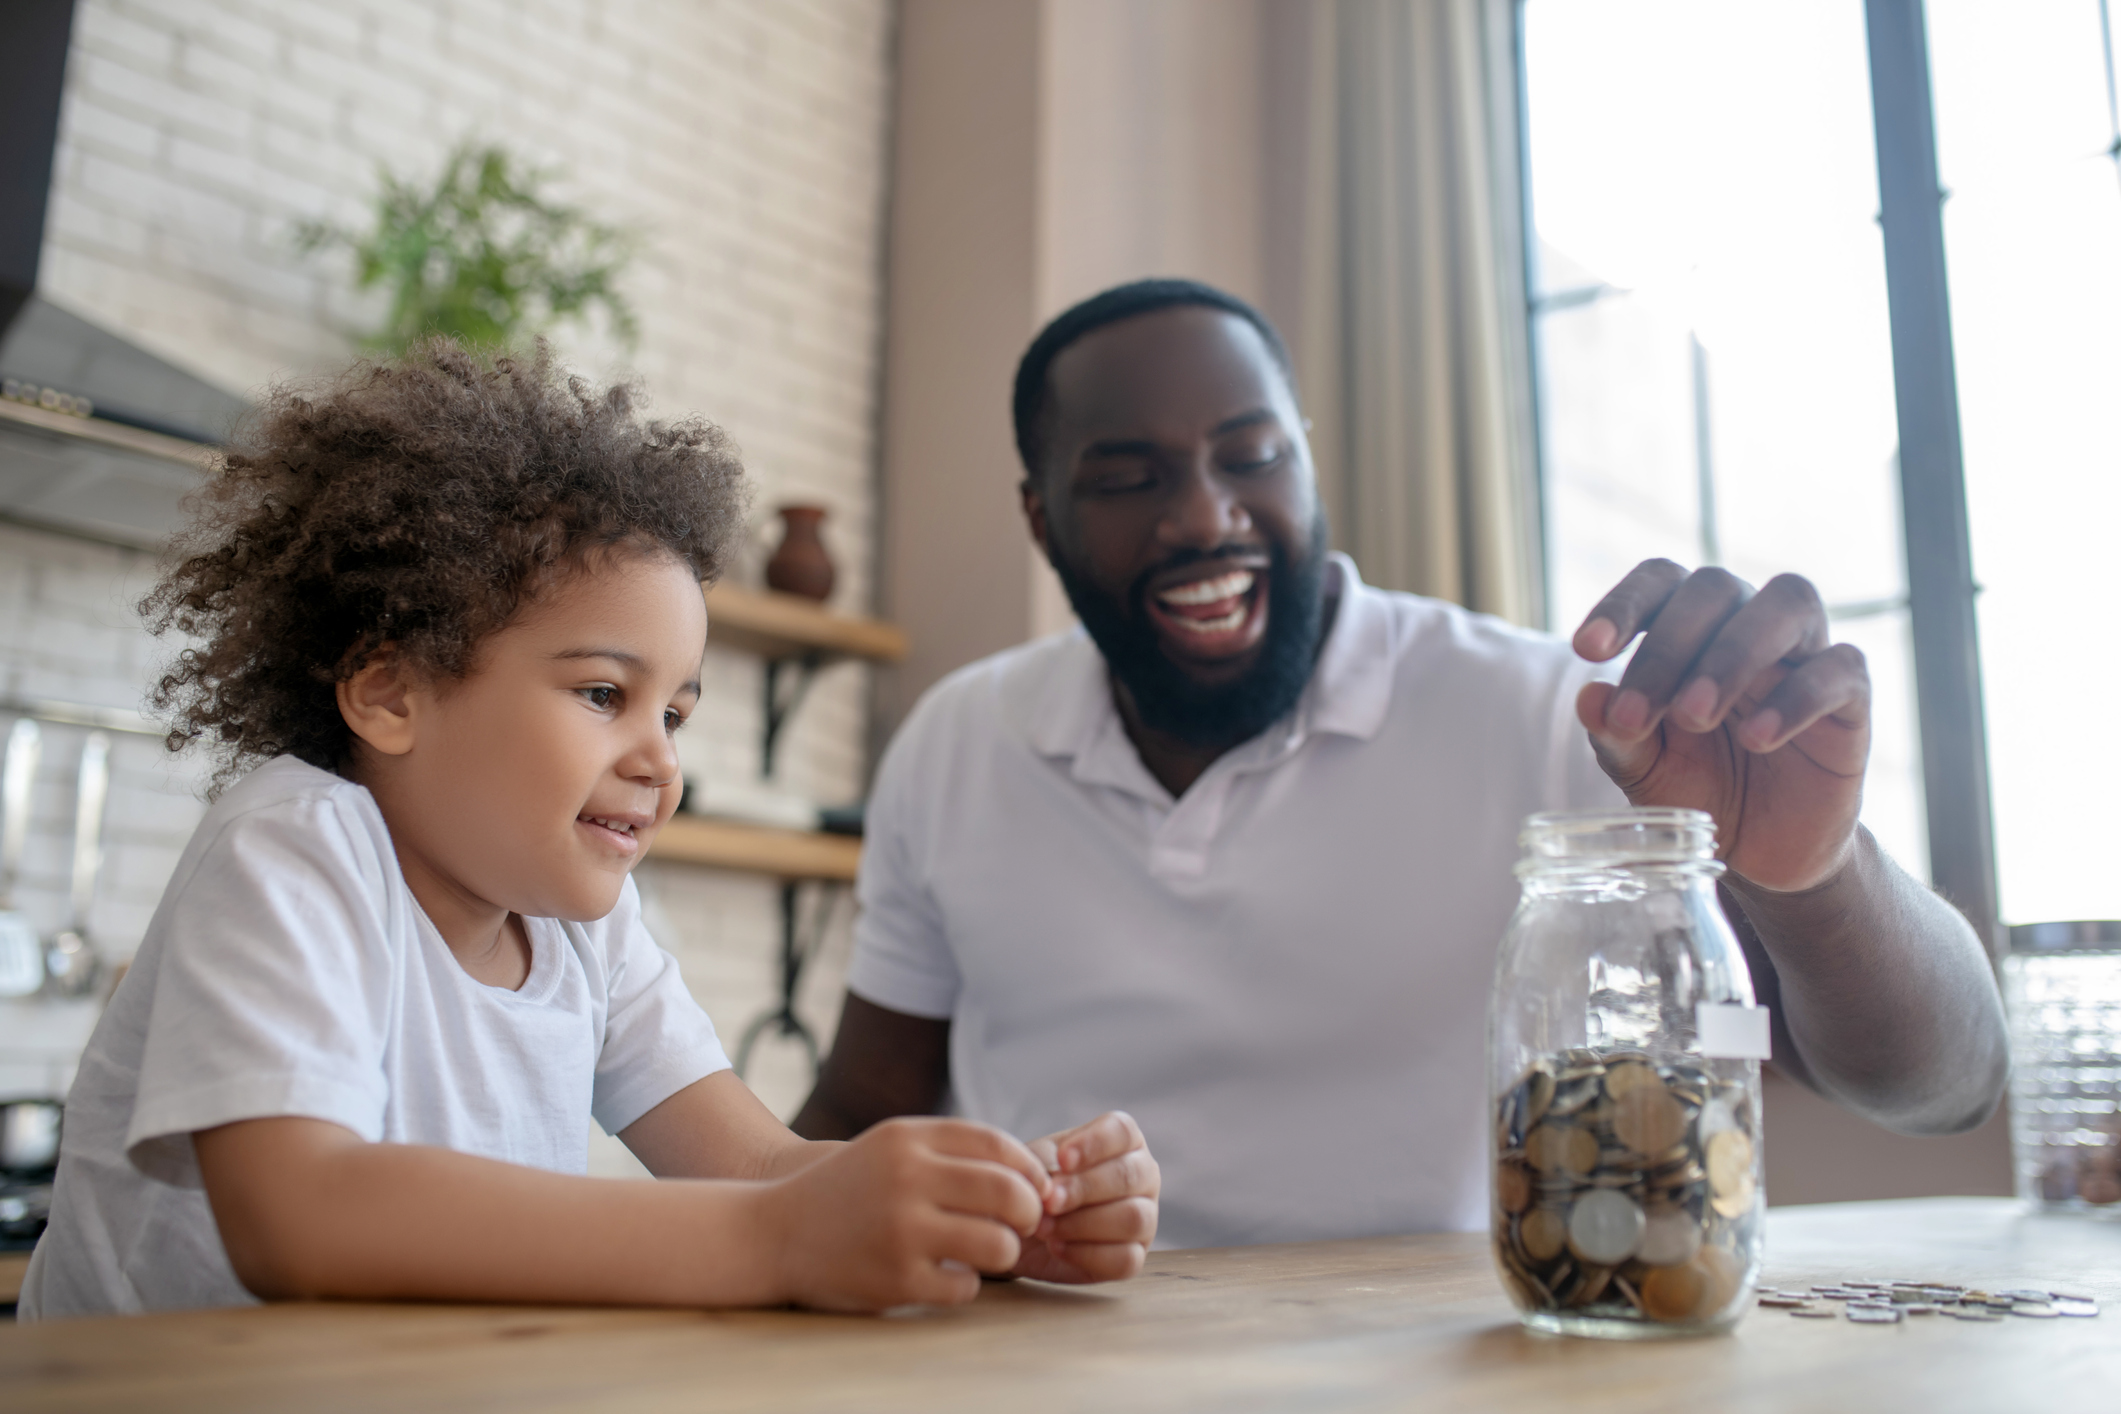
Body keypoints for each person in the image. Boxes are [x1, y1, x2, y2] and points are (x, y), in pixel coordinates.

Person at [794, 279, 2008, 1249]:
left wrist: (1816, 875)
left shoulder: (1559, 719)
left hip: (1448, 1372)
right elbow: (856, 1116)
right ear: (1040, 518)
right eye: (1125, 477)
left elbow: (1944, 1084)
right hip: (1053, 1369)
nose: (1207, 515)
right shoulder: (958, 742)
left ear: (1308, 465)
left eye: (1253, 454)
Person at [20, 341, 1156, 1320]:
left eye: (675, 711)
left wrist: (991, 1212)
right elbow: (302, 1216)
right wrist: (781, 1241)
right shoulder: (298, 846)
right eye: (604, 695)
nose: (660, 756)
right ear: (392, 693)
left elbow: (756, 1164)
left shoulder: (587, 928)